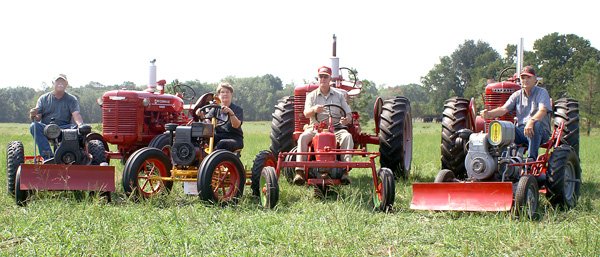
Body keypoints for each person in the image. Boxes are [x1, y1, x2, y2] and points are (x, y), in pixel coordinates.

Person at [294, 66, 354, 185]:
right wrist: (314, 109)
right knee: (303, 138)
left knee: (347, 137)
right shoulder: (311, 95)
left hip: (336, 128)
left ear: (330, 79)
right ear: (318, 78)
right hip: (316, 128)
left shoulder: (339, 95)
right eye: (321, 76)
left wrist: (346, 120)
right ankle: (299, 172)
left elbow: (349, 114)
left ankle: (345, 171)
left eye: (325, 76)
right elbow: (306, 113)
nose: (323, 79)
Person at [480, 66, 551, 160]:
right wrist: (488, 114)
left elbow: (543, 110)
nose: (525, 80)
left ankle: (531, 160)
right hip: (522, 131)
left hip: (540, 132)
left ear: (535, 79)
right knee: (505, 127)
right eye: (523, 78)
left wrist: (531, 121)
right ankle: (502, 160)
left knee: (535, 124)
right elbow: (503, 109)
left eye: (528, 77)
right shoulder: (517, 95)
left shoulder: (542, 92)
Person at [29, 74, 84, 159]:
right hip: (47, 128)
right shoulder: (43, 98)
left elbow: (76, 115)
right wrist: (33, 115)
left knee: (79, 129)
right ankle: (48, 156)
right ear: (53, 83)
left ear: (66, 85)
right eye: (58, 81)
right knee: (34, 126)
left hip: (64, 129)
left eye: (63, 82)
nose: (60, 84)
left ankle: (73, 156)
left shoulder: (71, 99)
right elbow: (38, 118)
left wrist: (81, 125)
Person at [196, 82, 244, 152]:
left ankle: (212, 160)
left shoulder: (237, 109)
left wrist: (231, 113)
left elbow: (236, 125)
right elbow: (207, 123)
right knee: (199, 137)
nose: (225, 94)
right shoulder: (215, 109)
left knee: (222, 143)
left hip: (234, 138)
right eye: (222, 92)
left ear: (231, 94)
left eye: (227, 92)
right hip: (218, 137)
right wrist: (201, 115)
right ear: (218, 95)